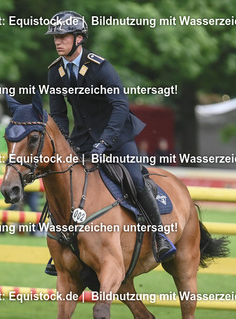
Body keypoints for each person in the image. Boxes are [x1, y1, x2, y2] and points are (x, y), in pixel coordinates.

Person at [45, 10, 175, 262]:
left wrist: (104, 142)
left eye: (63, 37)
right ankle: (61, 244)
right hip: (82, 139)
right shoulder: (55, 71)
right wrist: (64, 143)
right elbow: (59, 114)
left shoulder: (99, 67)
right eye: (55, 37)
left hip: (117, 137)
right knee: (62, 180)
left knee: (135, 180)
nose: (57, 42)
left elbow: (120, 106)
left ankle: (159, 235)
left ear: (79, 38)